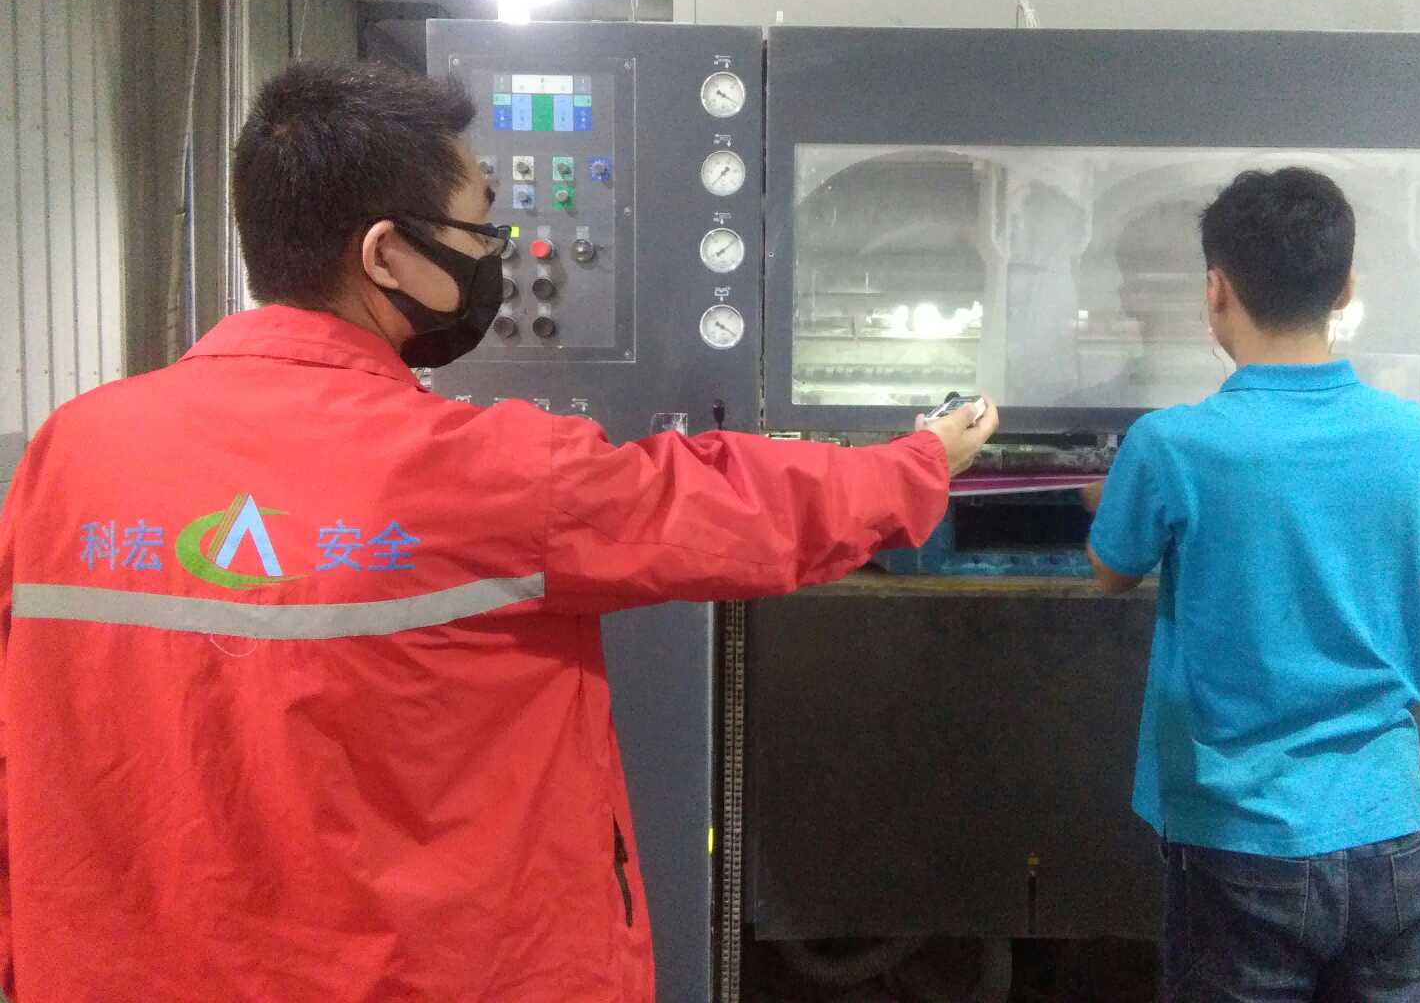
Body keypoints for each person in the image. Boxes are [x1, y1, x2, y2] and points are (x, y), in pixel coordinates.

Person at [0, 60, 999, 1003]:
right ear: (385, 253)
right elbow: (714, 503)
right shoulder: (473, 472)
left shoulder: (71, 450)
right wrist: (914, 463)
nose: (497, 253)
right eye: (479, 224)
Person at [1083, 167, 1420, 1003]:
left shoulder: (1171, 444)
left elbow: (1111, 571)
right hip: (1393, 831)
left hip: (1241, 840)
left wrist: (1111, 502)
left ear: (1215, 290)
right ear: (1346, 287)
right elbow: (1414, 568)